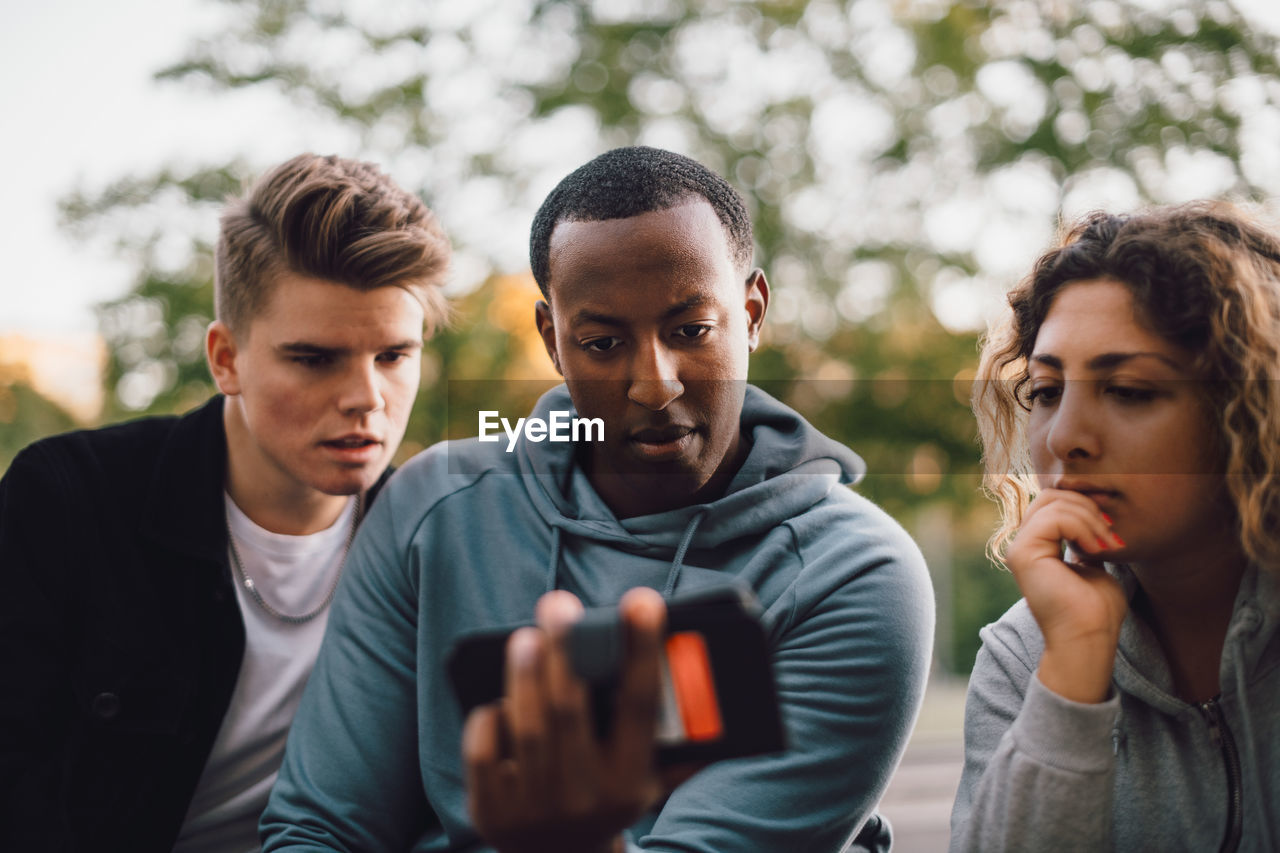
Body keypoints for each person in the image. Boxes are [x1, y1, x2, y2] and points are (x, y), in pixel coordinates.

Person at [261, 146, 934, 852]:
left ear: (753, 311)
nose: (654, 383)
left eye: (691, 331)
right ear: (553, 340)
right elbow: (318, 828)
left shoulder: (852, 574)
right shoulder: (434, 509)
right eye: (603, 341)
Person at [0, 153, 451, 852]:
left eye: (393, 355)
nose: (366, 398)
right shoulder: (68, 502)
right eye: (314, 357)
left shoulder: (434, 541)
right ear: (226, 358)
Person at [951, 202, 1280, 851]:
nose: (1065, 436)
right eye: (1046, 391)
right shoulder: (1023, 657)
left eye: (1128, 389)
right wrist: (1072, 668)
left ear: (1249, 410)